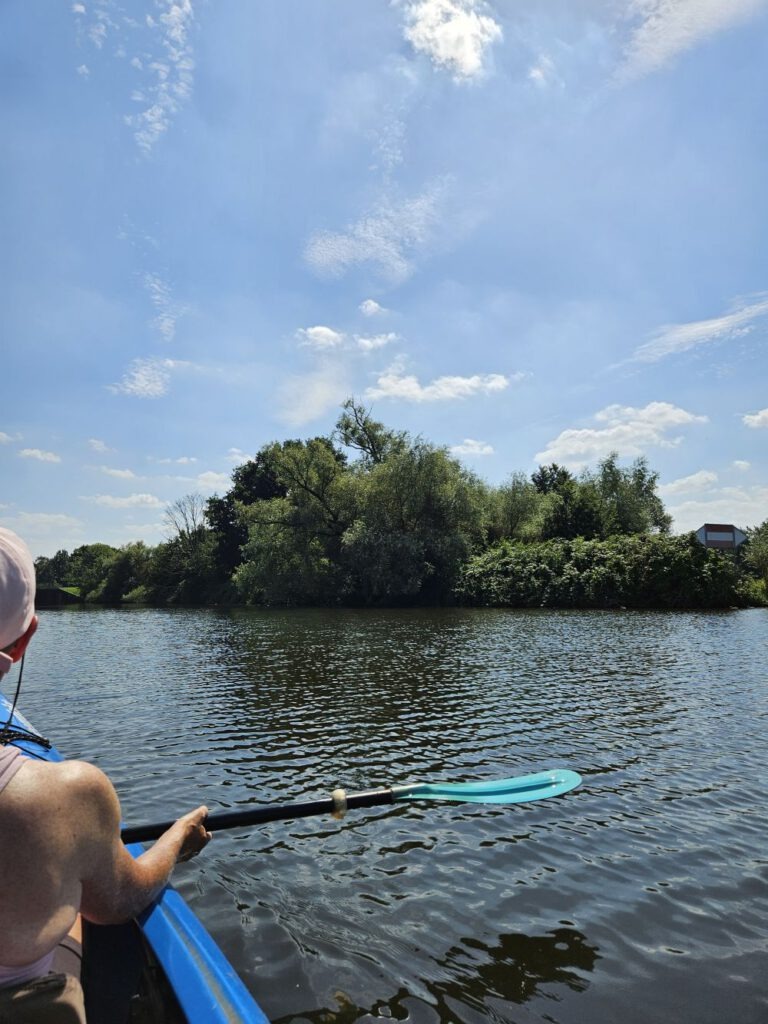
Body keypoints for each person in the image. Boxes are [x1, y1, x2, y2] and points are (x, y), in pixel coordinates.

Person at [0, 527, 211, 1020]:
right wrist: (177, 838)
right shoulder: (69, 797)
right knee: (75, 904)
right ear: (26, 637)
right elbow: (119, 902)